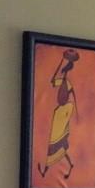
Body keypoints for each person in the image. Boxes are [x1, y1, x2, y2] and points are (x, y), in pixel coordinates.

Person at [37, 48, 79, 180]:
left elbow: (72, 97)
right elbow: (52, 81)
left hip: (63, 112)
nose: (64, 73)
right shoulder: (63, 82)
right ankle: (69, 165)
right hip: (59, 112)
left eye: (65, 70)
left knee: (55, 142)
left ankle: (46, 170)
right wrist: (60, 63)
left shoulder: (68, 84)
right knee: (58, 145)